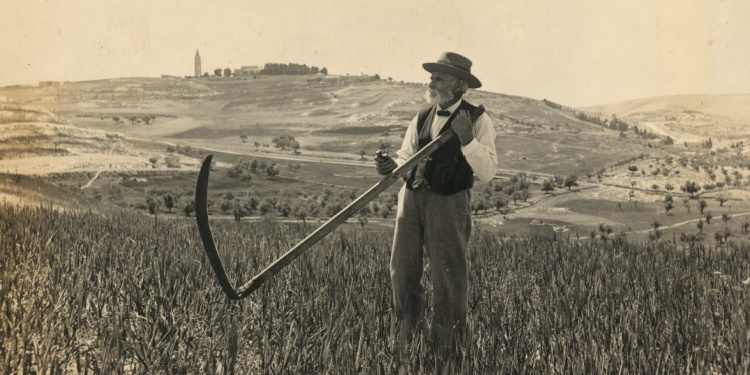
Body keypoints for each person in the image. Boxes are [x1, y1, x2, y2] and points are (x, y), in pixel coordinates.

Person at [374, 52, 498, 355]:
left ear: (458, 85)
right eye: (432, 76)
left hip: (448, 202)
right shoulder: (422, 116)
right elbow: (407, 157)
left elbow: (489, 171)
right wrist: (391, 166)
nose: (431, 80)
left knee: (448, 275)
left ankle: (448, 348)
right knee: (401, 271)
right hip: (411, 198)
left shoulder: (478, 119)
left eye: (438, 76)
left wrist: (467, 139)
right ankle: (407, 343)